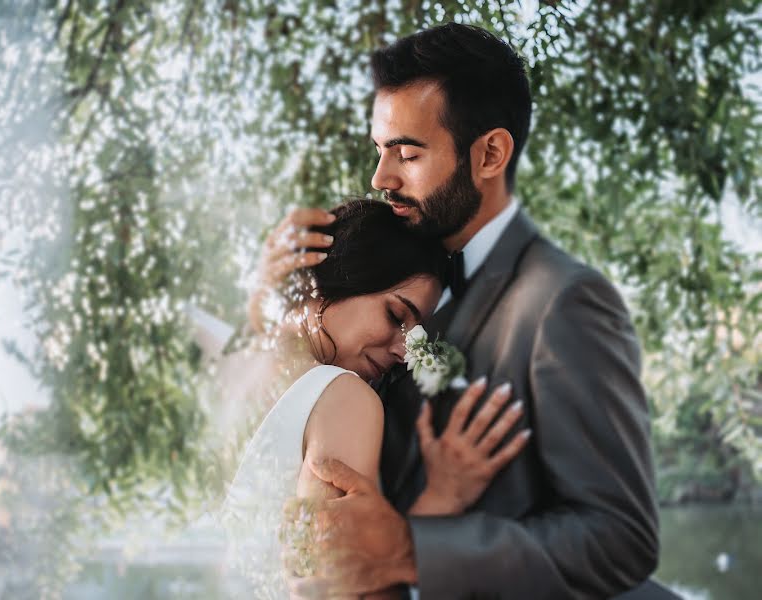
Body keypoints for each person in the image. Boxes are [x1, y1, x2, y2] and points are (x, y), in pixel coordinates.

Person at [257, 23, 679, 600]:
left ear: (490, 153)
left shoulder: (561, 301)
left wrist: (410, 549)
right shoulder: (389, 284)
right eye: (379, 152)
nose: (380, 178)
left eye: (407, 153)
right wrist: (275, 295)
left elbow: (620, 538)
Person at [222, 199, 529, 598]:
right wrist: (440, 504)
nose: (404, 352)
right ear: (338, 274)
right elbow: (330, 587)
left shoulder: (236, 377)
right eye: (395, 316)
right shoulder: (343, 399)